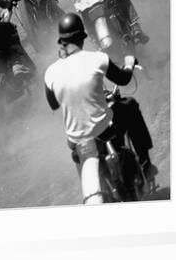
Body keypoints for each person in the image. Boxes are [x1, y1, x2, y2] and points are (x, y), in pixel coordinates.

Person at [44, 12, 157, 204]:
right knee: (129, 106)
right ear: (82, 38)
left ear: (61, 42)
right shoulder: (98, 59)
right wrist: (129, 64)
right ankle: (145, 163)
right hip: (104, 132)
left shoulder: (50, 72)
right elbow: (123, 79)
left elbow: (53, 104)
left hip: (77, 143)